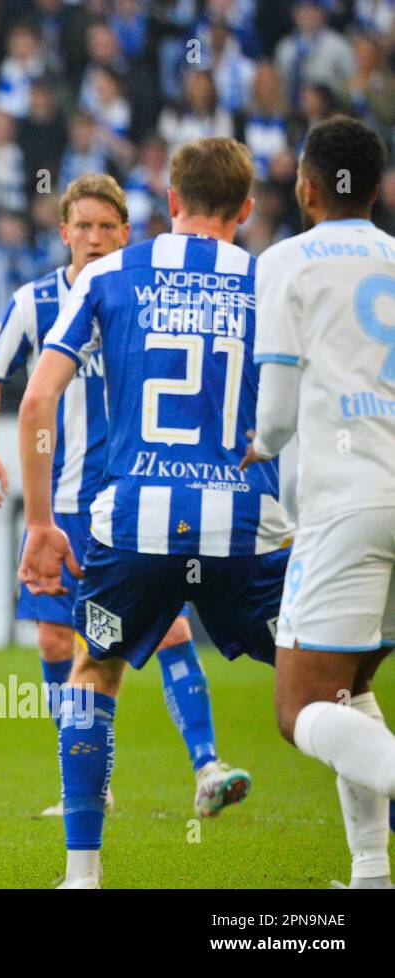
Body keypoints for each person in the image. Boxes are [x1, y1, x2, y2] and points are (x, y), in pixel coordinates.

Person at [18, 138, 293, 888]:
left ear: (170, 202)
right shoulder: (270, 280)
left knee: (93, 668)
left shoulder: (109, 274)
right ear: (245, 208)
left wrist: (41, 523)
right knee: (329, 675)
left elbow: (38, 398)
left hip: (134, 522)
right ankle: (373, 865)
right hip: (242, 526)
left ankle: (82, 874)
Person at [0, 173, 239, 819]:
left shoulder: (145, 296)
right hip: (56, 506)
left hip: (128, 498)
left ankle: (208, 766)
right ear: (63, 232)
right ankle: (88, 786)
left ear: (127, 233)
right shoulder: (35, 302)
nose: (94, 238)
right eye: (82, 226)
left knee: (170, 627)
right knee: (57, 644)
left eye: (107, 227)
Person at [243, 117, 395, 889]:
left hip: (348, 503)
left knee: (298, 706)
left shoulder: (287, 262)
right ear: (377, 188)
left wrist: (257, 446)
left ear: (306, 187)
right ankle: (371, 872)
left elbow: (275, 407)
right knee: (352, 688)